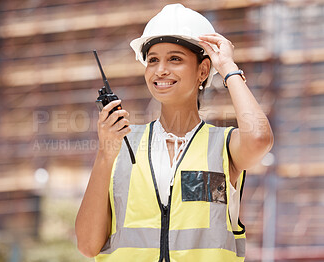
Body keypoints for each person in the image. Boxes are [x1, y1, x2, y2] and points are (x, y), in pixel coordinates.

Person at [75, 4, 273, 262]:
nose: (160, 70)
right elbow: (88, 246)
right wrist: (105, 153)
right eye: (153, 60)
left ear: (202, 71)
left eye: (175, 59)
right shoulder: (121, 142)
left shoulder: (222, 146)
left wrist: (227, 66)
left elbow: (259, 138)